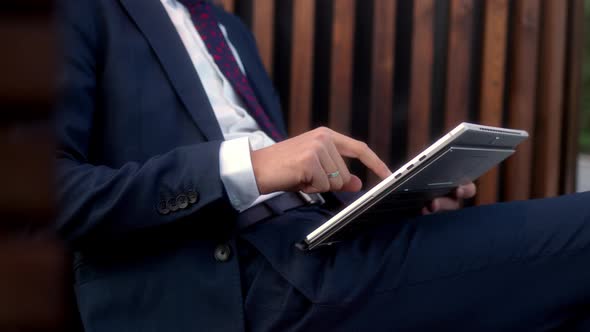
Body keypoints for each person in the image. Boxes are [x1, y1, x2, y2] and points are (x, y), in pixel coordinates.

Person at [56, 0, 590, 331]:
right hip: (224, 284)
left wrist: (391, 202)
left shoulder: (229, 32)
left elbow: (284, 187)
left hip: (319, 248)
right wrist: (253, 165)